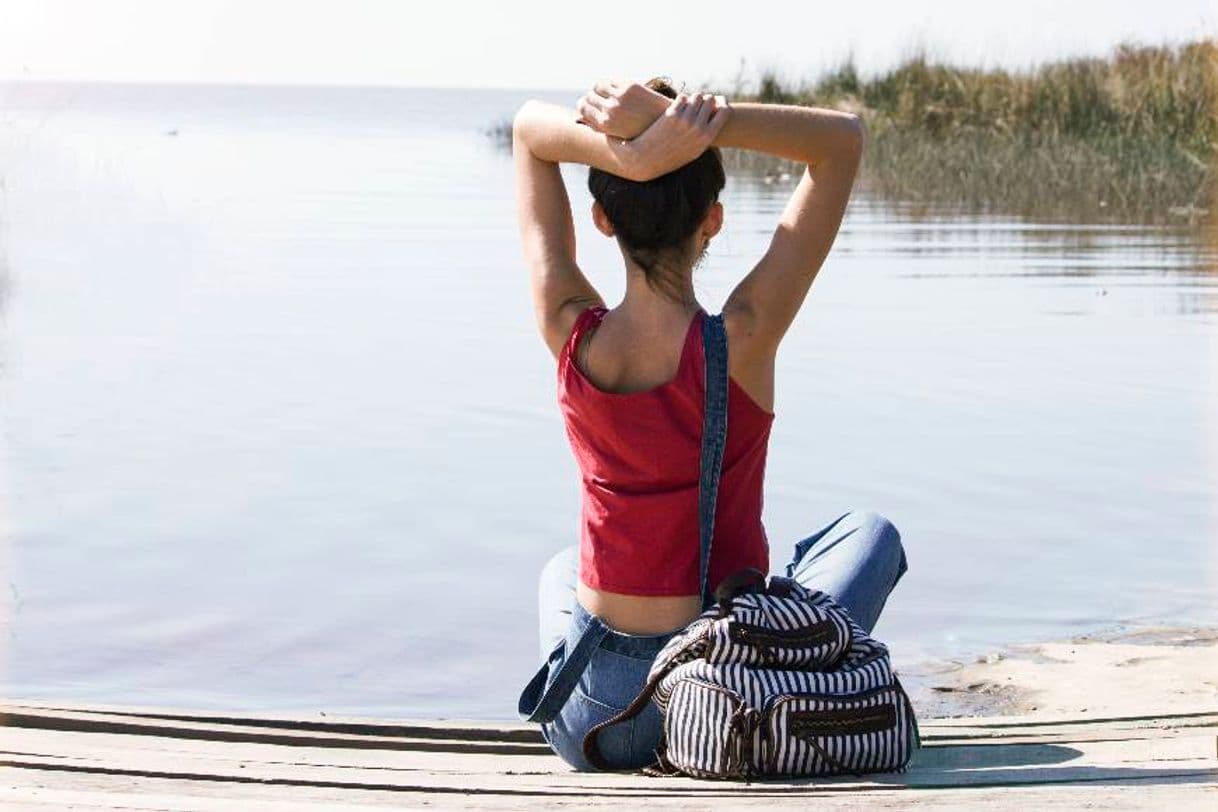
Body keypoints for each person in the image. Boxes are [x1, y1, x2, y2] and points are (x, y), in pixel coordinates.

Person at [512, 78, 908, 771]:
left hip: (596, 725)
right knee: (870, 537)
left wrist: (631, 152)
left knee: (561, 570)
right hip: (729, 690)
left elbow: (527, 133)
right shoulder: (743, 342)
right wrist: (696, 125)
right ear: (714, 220)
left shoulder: (567, 329)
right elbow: (841, 141)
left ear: (604, 221)